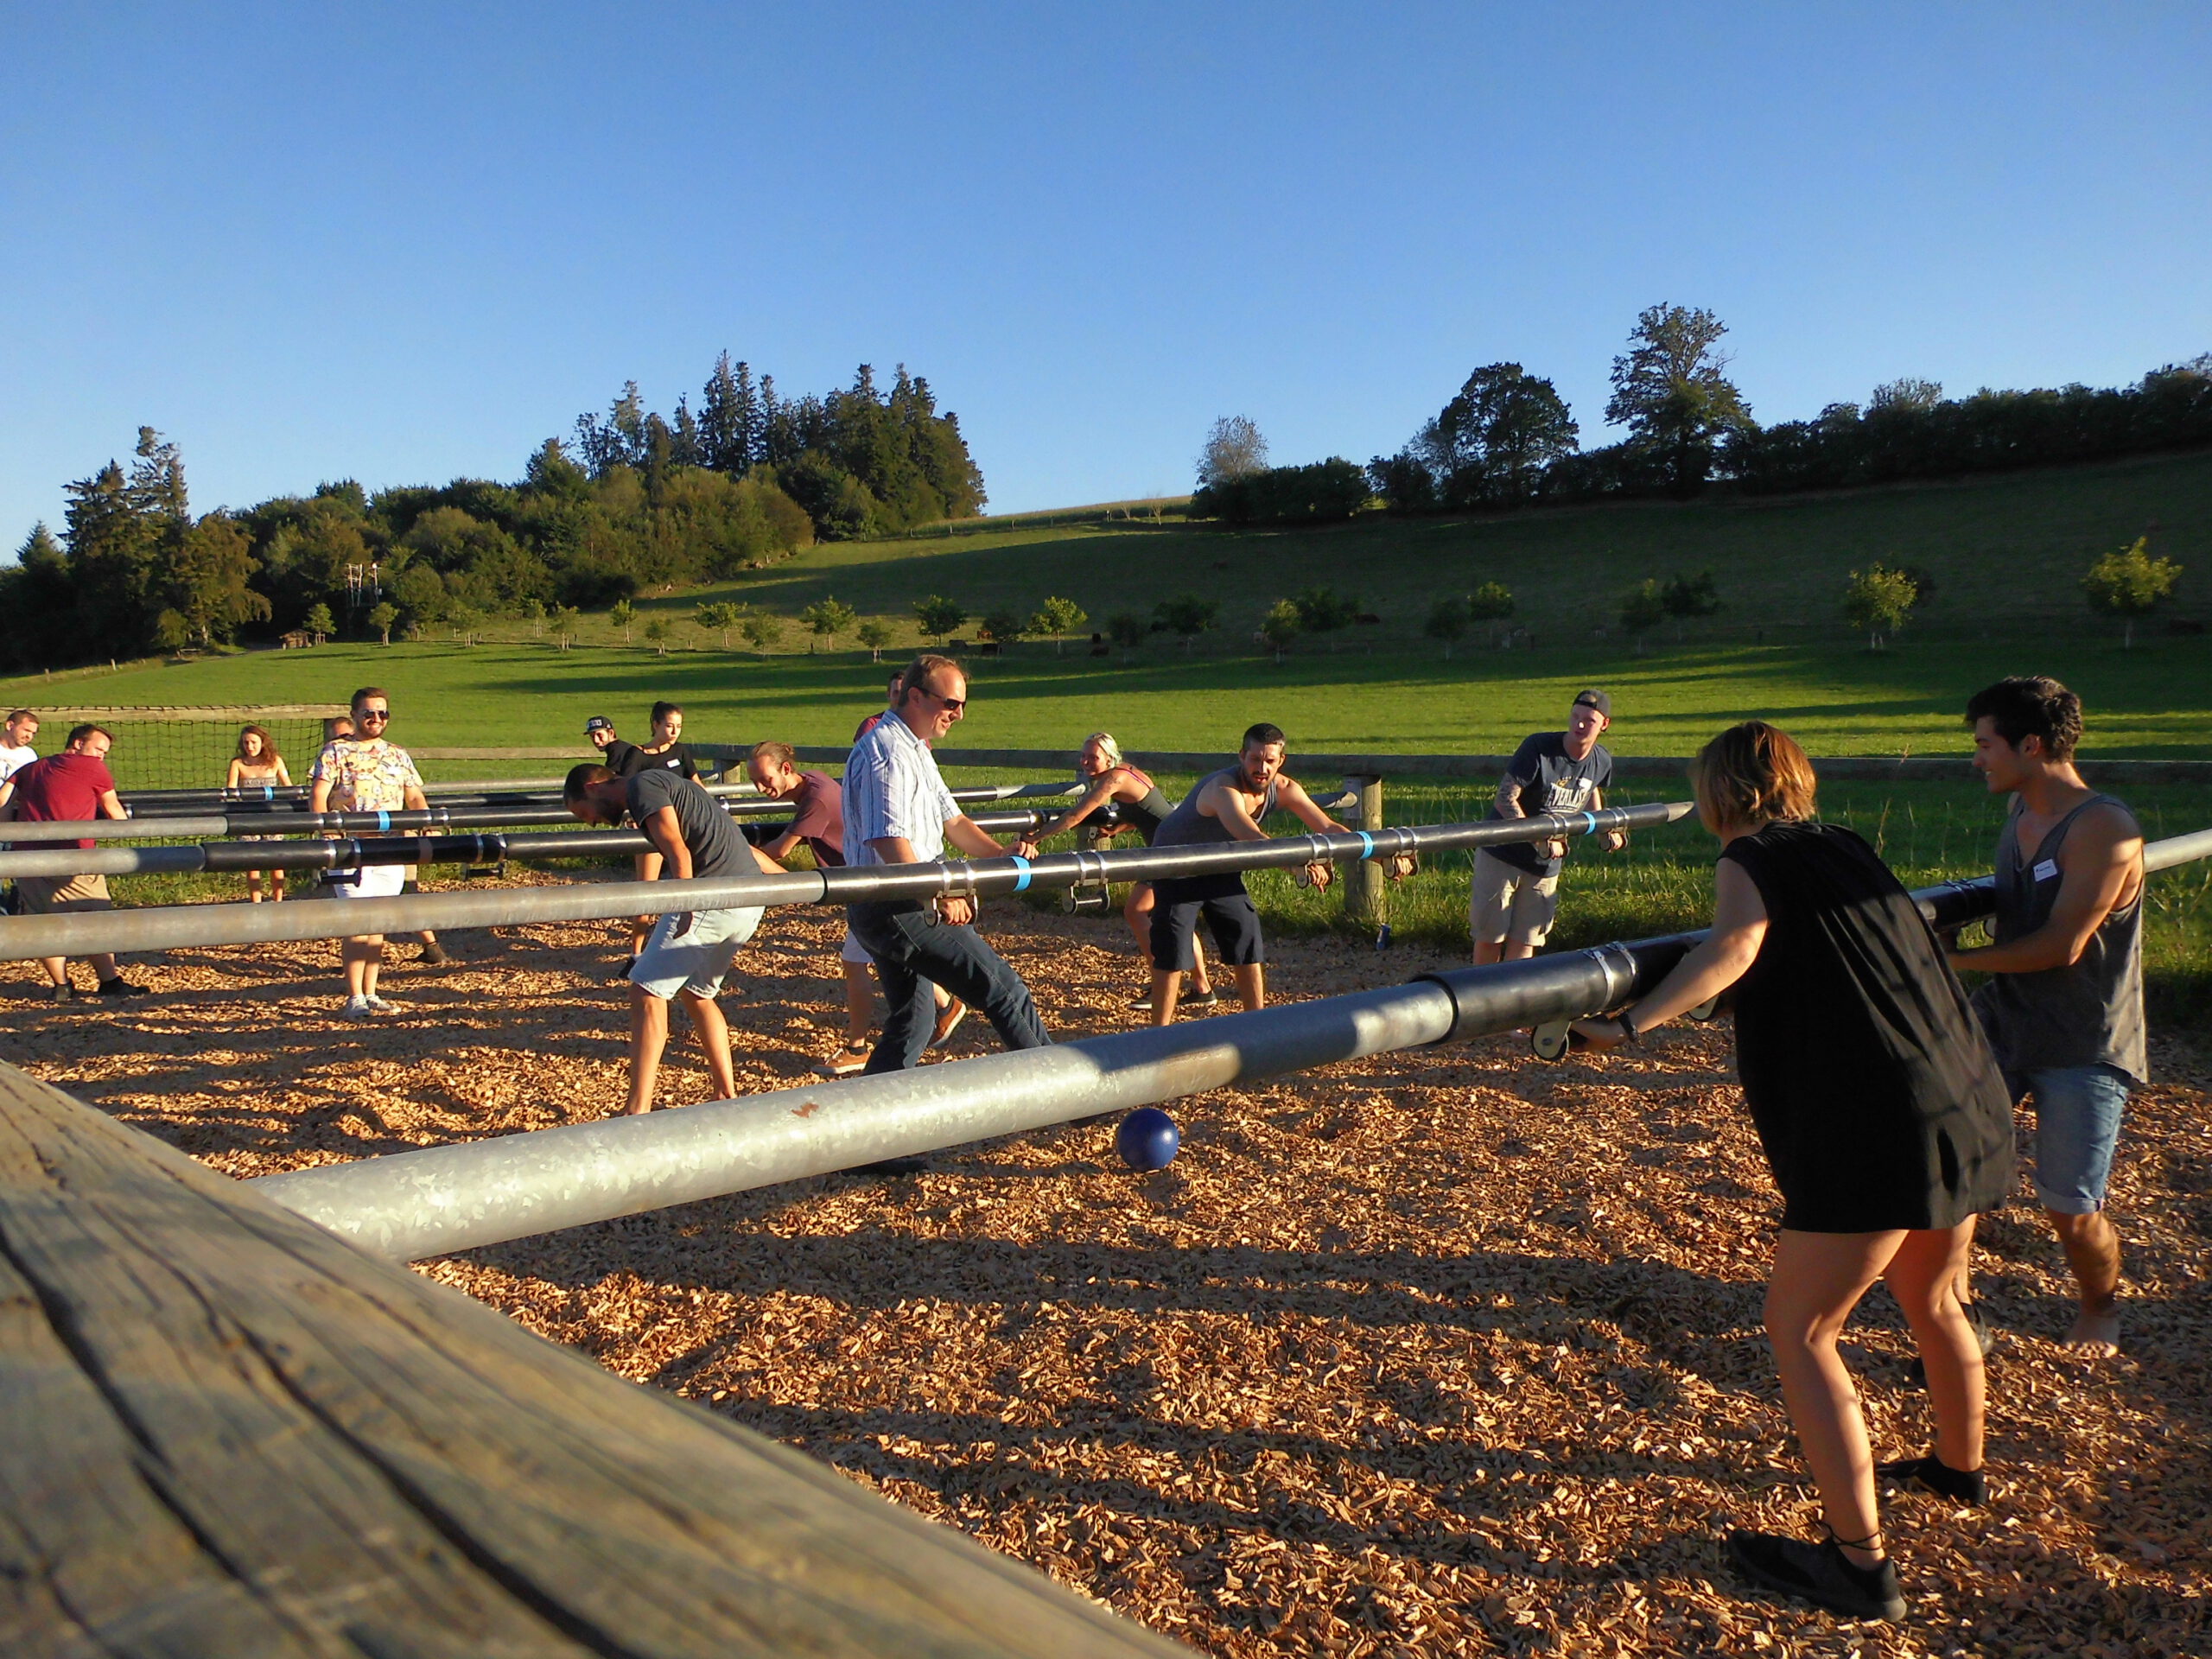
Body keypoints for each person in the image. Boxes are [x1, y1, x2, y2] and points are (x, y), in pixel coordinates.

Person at [1572, 721, 2012, 1623]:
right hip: (1961, 1094)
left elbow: (1734, 948)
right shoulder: (1843, 844)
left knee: (1802, 1330)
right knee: (1934, 1298)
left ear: (1721, 793)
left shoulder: (1751, 857)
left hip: (1874, 1125)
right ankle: (1957, 1470)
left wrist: (1627, 1025)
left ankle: (1858, 1565)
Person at [1947, 676, 2145, 1357]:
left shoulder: (2104, 828)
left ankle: (2100, 1306)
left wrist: (1948, 961)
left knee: (2069, 1206)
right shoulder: (2019, 811)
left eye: (1985, 745)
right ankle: (1956, 1315)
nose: (1977, 758)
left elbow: (2062, 945)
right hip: (2004, 1020)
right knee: (1950, 1169)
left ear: (2030, 745)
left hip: (2083, 1038)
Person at [842, 655, 1048, 1073]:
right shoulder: (888, 752)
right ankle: (1064, 1088)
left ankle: (873, 1107)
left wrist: (1001, 855)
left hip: (896, 898)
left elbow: (952, 821)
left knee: (913, 1021)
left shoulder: (914, 747)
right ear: (916, 697)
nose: (958, 714)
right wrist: (937, 894)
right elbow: (889, 840)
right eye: (951, 703)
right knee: (1003, 989)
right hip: (899, 903)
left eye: (963, 705)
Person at [564, 760, 782, 1115]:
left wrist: (686, 909)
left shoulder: (641, 787)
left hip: (711, 897)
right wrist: (791, 885)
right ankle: (725, 1094)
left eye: (582, 812)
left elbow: (678, 851)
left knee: (646, 992)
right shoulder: (663, 786)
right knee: (698, 995)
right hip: (746, 901)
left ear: (593, 787)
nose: (590, 821)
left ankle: (636, 1111)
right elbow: (737, 845)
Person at [1145, 724, 1349, 1026]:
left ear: (1281, 761)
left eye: (1270, 761)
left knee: (1246, 937)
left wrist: (1379, 851)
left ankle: (1257, 1026)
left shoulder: (1285, 788)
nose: (1262, 768)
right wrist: (1296, 863)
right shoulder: (1223, 789)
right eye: (1255, 759)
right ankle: (1158, 1035)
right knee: (1172, 950)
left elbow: (1328, 827)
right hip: (1177, 868)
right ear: (1242, 756)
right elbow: (1248, 834)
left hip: (1221, 867)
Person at [1013, 731, 1216, 1011]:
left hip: (1169, 849)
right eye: (1083, 756)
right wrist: (1121, 827)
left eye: (1093, 757)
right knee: (1178, 917)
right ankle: (1202, 988)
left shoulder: (1114, 779)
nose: (1086, 762)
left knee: (1137, 911)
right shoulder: (1129, 772)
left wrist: (1035, 838)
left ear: (1110, 759)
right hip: (1175, 844)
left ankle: (1161, 982)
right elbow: (1151, 811)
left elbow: (1077, 815)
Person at [1471, 690, 1627, 964]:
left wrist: (1604, 826)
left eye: (1589, 720)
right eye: (1575, 716)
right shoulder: (1540, 748)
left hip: (1545, 864)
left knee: (1527, 938)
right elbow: (1505, 798)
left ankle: (1515, 990)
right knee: (1490, 935)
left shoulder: (1601, 760)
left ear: (1604, 724)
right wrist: (1538, 837)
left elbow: (1591, 789)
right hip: (1503, 855)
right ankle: (1481, 990)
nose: (1580, 724)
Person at [0, 724, 148, 1001]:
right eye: (99, 749)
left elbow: (3, 801)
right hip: (75, 856)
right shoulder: (92, 768)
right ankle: (109, 981)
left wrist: (9, 834)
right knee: (95, 917)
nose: (101, 756)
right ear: (78, 744)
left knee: (43, 922)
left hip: (28, 857)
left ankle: (62, 985)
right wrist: (128, 828)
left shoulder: (32, 768)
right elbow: (114, 811)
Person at [309, 688, 433, 1015]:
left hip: (390, 848)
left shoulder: (397, 754)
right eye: (369, 713)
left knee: (378, 923)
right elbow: (319, 794)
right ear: (354, 715)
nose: (376, 719)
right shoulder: (336, 751)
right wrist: (326, 830)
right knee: (357, 923)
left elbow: (414, 796)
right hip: (351, 848)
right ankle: (354, 996)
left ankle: (371, 991)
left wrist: (426, 823)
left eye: (382, 713)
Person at [611, 702, 702, 961]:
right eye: (669, 726)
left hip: (683, 827)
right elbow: (625, 789)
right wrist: (631, 815)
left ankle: (684, 947)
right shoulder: (636, 755)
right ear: (656, 725)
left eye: (679, 726)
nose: (675, 731)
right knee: (647, 891)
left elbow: (696, 785)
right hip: (653, 831)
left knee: (696, 884)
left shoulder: (681, 752)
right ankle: (636, 953)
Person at [226, 725, 293, 902]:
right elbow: (231, 790)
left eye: (254, 742)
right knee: (252, 863)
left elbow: (288, 787)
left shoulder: (275, 762)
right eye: (246, 743)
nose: (250, 747)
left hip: (272, 816)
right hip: (248, 817)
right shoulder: (238, 764)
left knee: (276, 861)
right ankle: (256, 903)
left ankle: (278, 901)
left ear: (263, 742)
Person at [0, 709, 39, 782]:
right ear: (10, 726)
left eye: (33, 733)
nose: (29, 736)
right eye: (26, 730)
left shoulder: (29, 756)